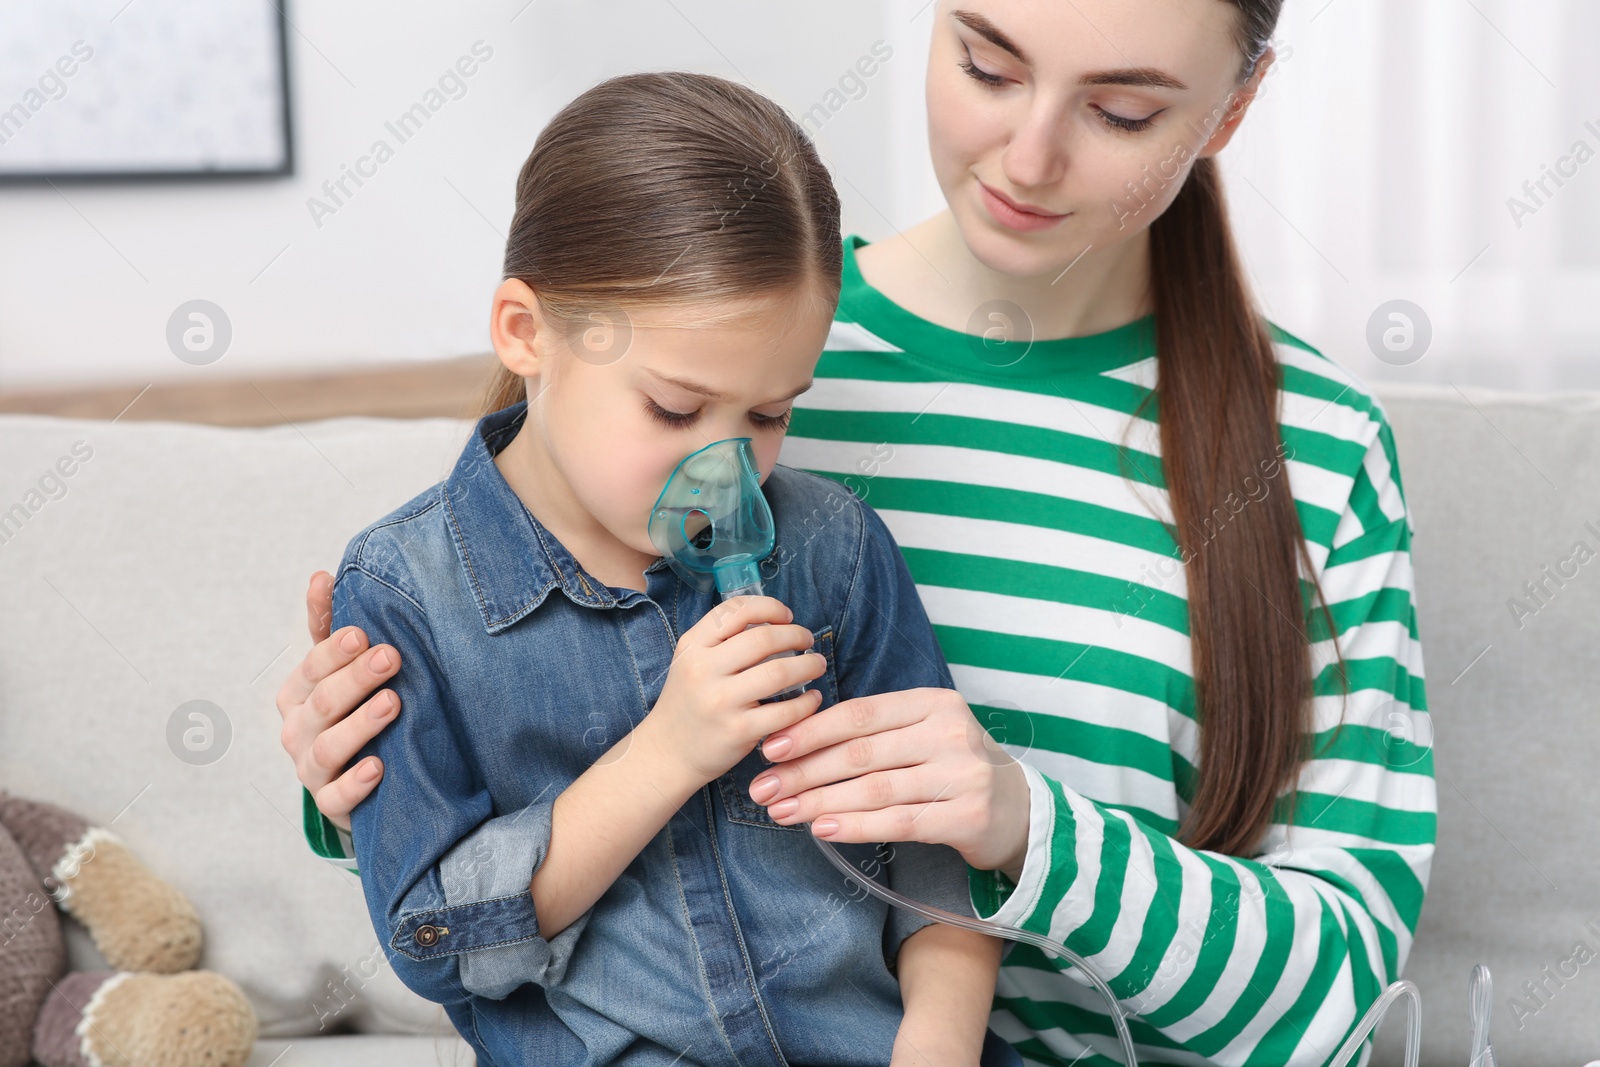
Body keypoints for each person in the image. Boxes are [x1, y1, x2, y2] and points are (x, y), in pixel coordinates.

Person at [281, 1, 1435, 1063]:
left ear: (1233, 107)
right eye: (988, 63)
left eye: (1120, 109)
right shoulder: (753, 314)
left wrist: (1023, 826)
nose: (1028, 157)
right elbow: (485, 788)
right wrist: (355, 784)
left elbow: (1339, 988)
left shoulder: (1314, 452)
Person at [321, 70, 1020, 1067]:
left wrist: (938, 1046)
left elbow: (935, 847)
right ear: (527, 333)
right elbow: (436, 938)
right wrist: (672, 748)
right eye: (676, 409)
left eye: (770, 413)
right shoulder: (405, 590)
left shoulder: (830, 547)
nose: (726, 464)